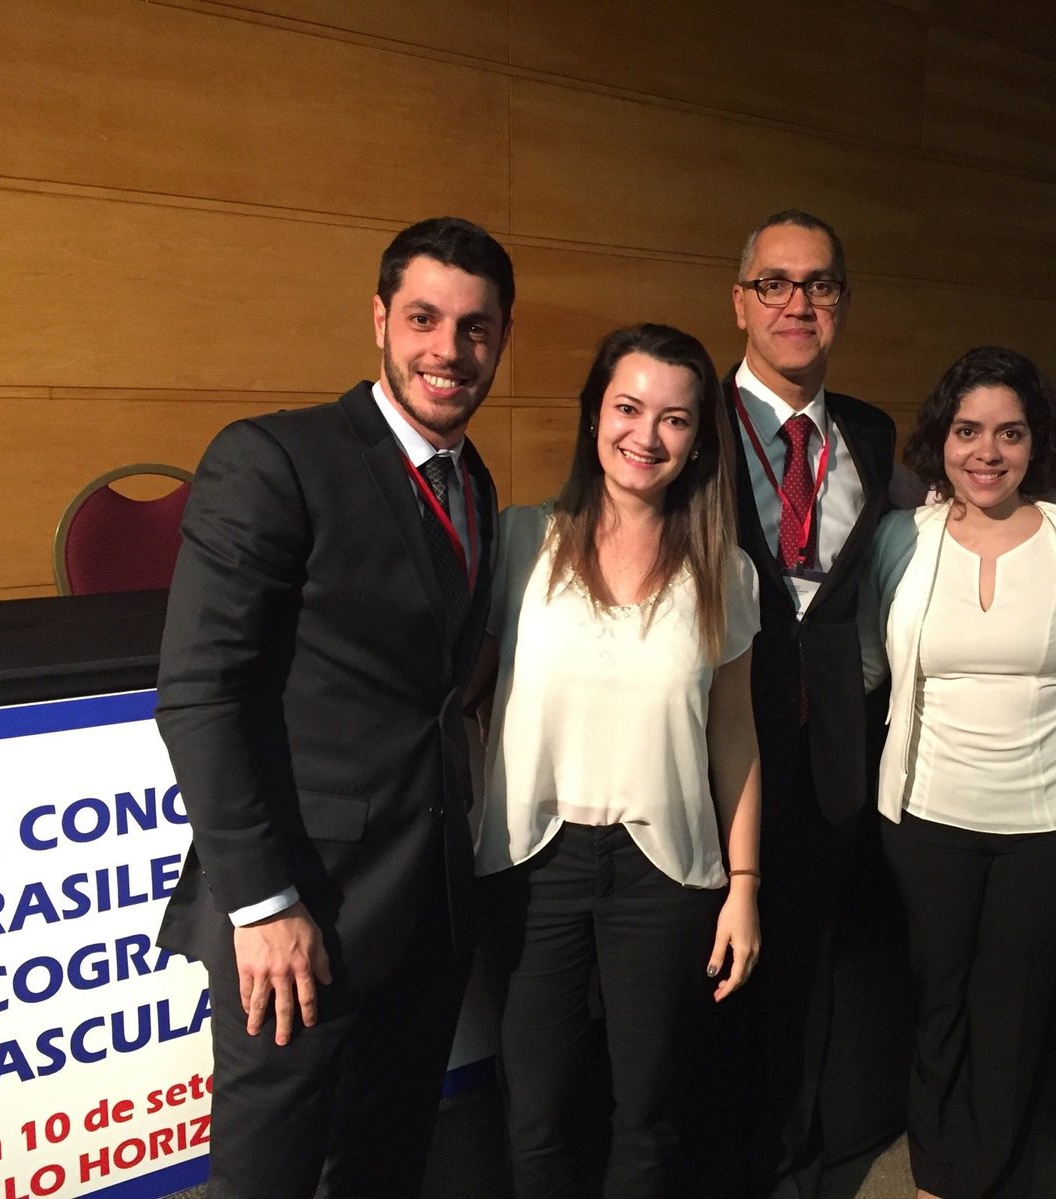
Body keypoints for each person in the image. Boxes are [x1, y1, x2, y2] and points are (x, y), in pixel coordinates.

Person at [155, 217, 513, 1197]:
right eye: (424, 318)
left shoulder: (474, 482)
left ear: (500, 340)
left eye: (475, 327)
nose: (448, 349)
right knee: (272, 1175)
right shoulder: (275, 457)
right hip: (299, 916)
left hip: (424, 911)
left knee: (383, 1163)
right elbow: (199, 691)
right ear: (379, 319)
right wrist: (261, 902)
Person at [476, 323, 763, 1198]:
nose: (647, 435)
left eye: (675, 419)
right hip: (533, 860)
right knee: (537, 1113)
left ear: (699, 440)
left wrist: (744, 885)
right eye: (628, 407)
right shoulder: (517, 541)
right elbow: (460, 700)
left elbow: (735, 735)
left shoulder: (725, 568)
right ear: (593, 414)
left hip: (664, 873)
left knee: (647, 1111)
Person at [862, 347, 1056, 1199]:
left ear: (1038, 444)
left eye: (1011, 433)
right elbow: (870, 666)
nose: (988, 452)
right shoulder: (897, 539)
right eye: (968, 430)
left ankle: (984, 1177)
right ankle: (931, 1172)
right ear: (941, 439)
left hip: (1053, 822)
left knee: (1011, 1014)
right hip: (924, 817)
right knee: (939, 1001)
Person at [709, 208, 898, 1199]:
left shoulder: (868, 431)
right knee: (701, 989)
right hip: (705, 757)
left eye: (819, 284)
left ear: (840, 304)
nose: (797, 303)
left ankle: (789, 1171)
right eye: (775, 283)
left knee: (801, 987)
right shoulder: (683, 417)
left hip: (827, 758)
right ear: (739, 300)